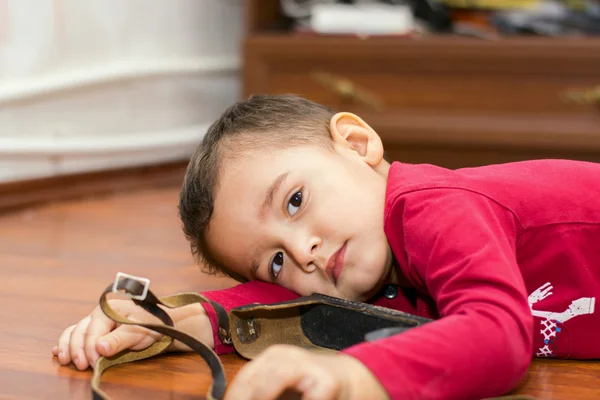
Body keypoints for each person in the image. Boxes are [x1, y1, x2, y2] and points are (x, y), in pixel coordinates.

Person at [53, 94, 600, 400]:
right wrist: (174, 320)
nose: (304, 250)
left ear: (357, 145)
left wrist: (355, 375)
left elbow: (499, 336)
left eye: (294, 201)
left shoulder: (435, 206)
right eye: (275, 258)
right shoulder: (377, 267)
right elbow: (300, 307)